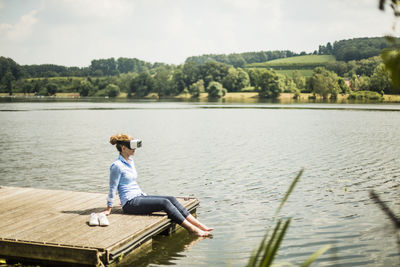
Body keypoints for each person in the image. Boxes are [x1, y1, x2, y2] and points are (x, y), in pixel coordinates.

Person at [103, 134, 213, 237]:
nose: (134, 149)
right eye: (131, 147)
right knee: (164, 203)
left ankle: (200, 225)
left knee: (171, 199)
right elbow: (112, 187)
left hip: (139, 196)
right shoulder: (116, 166)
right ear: (123, 148)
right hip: (130, 204)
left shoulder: (130, 161)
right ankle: (192, 230)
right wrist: (109, 208)